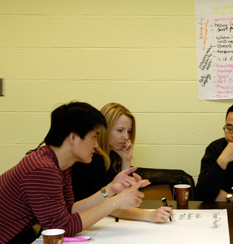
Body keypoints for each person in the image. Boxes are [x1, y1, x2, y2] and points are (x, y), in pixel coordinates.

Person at [0, 102, 149, 244]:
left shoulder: (59, 163)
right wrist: (115, 201)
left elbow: (69, 210)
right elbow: (60, 228)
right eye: (93, 137)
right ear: (73, 138)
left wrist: (111, 189)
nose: (97, 144)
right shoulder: (42, 168)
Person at [71, 102, 173, 223]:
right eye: (120, 130)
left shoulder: (112, 156)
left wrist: (126, 160)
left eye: (129, 131)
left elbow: (124, 200)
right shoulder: (91, 159)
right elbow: (109, 205)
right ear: (104, 130)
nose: (126, 136)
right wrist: (149, 215)